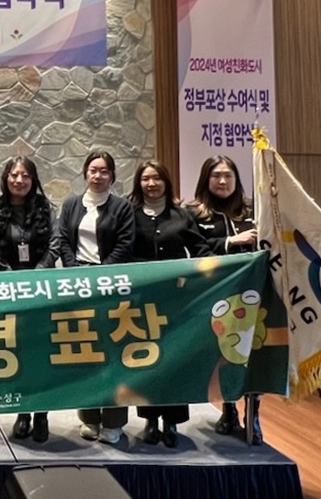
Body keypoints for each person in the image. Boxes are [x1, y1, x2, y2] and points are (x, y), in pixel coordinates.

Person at [128, 160, 210, 447]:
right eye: (145, 179)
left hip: (177, 301)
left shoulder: (182, 215)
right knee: (148, 361)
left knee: (175, 360)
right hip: (143, 300)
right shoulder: (130, 214)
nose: (151, 184)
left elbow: (200, 249)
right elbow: (124, 252)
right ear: (139, 183)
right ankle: (150, 420)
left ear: (166, 182)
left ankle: (172, 421)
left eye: (157, 178)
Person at [58, 150, 135, 444]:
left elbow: (125, 244)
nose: (98, 176)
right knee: (85, 352)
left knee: (113, 354)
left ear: (112, 176)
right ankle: (89, 417)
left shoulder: (122, 207)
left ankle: (114, 422)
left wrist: (102, 274)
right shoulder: (71, 204)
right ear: (85, 173)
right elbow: (63, 240)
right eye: (93, 170)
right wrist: (75, 271)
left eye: (104, 171)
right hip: (78, 284)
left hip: (110, 285)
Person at [188, 154, 262, 444]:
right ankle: (228, 408)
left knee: (255, 354)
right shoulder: (194, 213)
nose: (222, 181)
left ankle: (253, 414)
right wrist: (231, 242)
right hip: (217, 298)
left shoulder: (252, 211)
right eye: (216, 175)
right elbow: (195, 249)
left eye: (228, 175)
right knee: (226, 354)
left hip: (254, 296)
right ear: (206, 179)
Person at [0, 156, 59, 442]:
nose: (19, 180)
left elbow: (55, 242)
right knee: (17, 353)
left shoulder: (46, 208)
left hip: (42, 289)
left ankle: (42, 414)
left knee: (42, 353)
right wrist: (9, 275)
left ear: (33, 180)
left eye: (25, 175)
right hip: (10, 290)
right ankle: (23, 412)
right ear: (6, 179)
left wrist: (38, 273)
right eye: (14, 175)